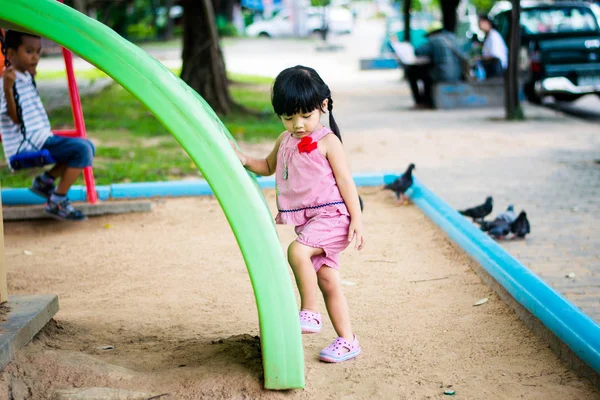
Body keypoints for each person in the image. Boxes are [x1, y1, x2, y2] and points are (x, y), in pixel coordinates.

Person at [232, 65, 364, 363]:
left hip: (333, 218)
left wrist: (357, 218)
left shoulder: (329, 142)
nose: (298, 124)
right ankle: (348, 340)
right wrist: (241, 158)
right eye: (289, 117)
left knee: (297, 252)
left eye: (305, 115)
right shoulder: (285, 140)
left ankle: (310, 312)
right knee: (329, 281)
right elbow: (266, 167)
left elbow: (346, 181)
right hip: (313, 222)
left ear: (324, 105)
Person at [1, 30, 94, 221]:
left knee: (87, 147)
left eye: (38, 51)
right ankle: (56, 201)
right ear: (10, 53)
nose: (35, 57)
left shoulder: (24, 76)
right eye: (29, 51)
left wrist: (30, 74)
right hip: (28, 144)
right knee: (82, 149)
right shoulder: (6, 83)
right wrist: (8, 90)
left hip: (41, 137)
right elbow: (15, 118)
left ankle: (45, 182)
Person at [401, 21, 462, 109]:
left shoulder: (434, 40)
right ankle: (428, 100)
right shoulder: (452, 38)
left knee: (414, 73)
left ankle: (423, 102)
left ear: (431, 33)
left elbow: (418, 51)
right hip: (457, 74)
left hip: (443, 74)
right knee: (427, 73)